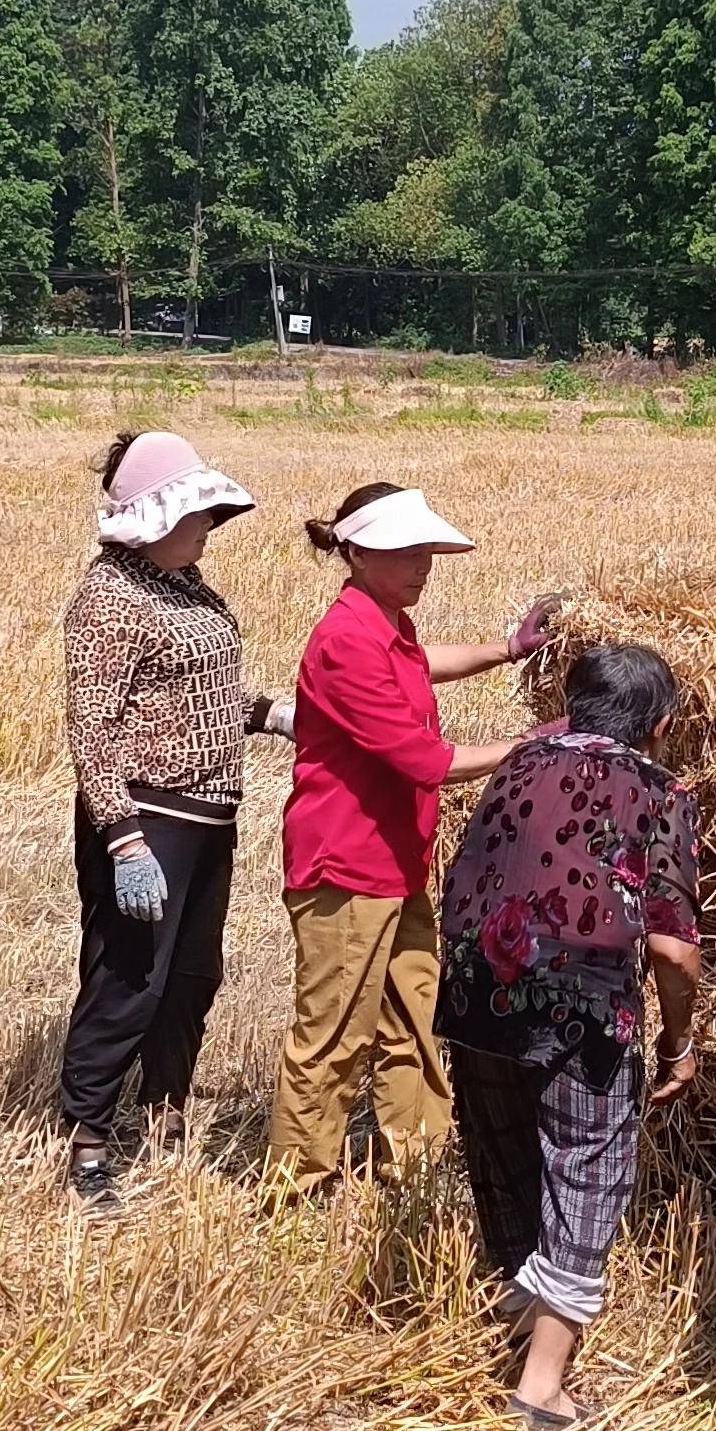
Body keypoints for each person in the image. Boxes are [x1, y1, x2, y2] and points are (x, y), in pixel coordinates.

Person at [434, 643, 705, 1431]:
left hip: (478, 990)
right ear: (659, 726)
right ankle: (542, 1388)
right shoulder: (658, 790)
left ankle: (520, 1332)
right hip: (579, 1011)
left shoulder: (518, 763)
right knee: (589, 1174)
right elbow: (672, 947)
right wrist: (679, 1043)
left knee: (507, 1159)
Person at [271, 481, 546, 1189]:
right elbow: (426, 762)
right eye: (405, 551)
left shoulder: (386, 623)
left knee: (413, 1021)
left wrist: (507, 649)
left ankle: (414, 1167)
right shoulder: (344, 641)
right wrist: (533, 744)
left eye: (426, 550)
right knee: (334, 1034)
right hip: (345, 868)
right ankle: (297, 1186)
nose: (422, 564)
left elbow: (423, 666)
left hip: (395, 863)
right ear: (357, 554)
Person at [57, 430, 290, 1208]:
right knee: (130, 981)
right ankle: (88, 1141)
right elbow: (92, 727)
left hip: (208, 815)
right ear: (152, 519)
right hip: (146, 818)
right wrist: (123, 837)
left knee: (193, 977)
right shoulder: (110, 597)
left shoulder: (186, 584)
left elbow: (195, 694)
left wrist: (272, 715)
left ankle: (166, 1112)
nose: (208, 529)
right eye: (196, 516)